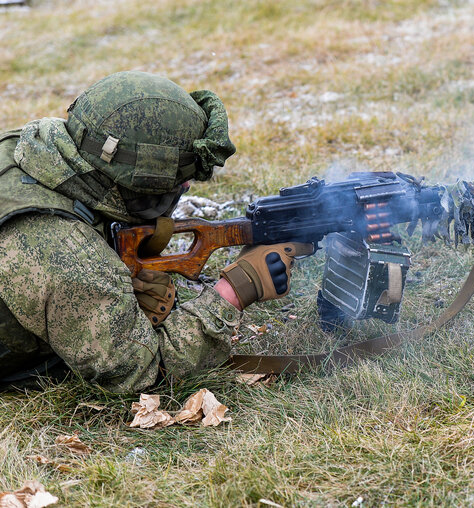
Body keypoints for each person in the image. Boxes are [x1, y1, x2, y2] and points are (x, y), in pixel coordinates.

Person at [0, 71, 307, 393]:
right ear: (139, 177)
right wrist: (234, 290)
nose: (186, 185)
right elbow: (139, 374)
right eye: (179, 178)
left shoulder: (31, 148)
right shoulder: (61, 250)